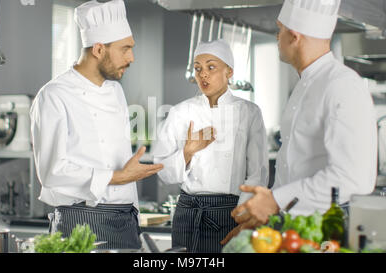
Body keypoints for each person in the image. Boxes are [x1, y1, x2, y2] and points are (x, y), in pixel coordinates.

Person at [221, 0, 377, 245]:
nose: (277, 37)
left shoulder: (343, 84)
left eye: (279, 29)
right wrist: (268, 217)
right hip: (296, 230)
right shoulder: (305, 84)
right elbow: (294, 169)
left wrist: (275, 200)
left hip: (327, 231)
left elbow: (352, 178)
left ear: (294, 36)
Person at [30, 0, 163, 250]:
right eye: (125, 49)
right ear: (99, 49)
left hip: (126, 219)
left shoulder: (116, 91)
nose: (132, 57)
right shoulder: (54, 95)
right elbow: (52, 172)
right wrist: (118, 177)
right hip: (81, 221)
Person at [152, 39, 269, 253]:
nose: (203, 74)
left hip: (229, 212)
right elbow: (162, 169)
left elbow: (257, 174)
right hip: (187, 212)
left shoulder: (249, 112)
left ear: (229, 71)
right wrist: (187, 152)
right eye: (198, 69)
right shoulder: (181, 112)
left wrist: (243, 216)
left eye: (211, 67)